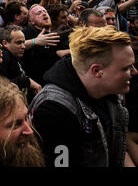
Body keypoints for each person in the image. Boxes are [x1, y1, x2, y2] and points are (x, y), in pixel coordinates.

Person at [29, 26, 137, 167]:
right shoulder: (54, 111)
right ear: (97, 71)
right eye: (126, 68)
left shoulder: (109, 91)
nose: (134, 72)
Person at [0, 25, 42, 103]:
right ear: (5, 43)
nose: (23, 46)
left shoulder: (14, 55)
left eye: (23, 42)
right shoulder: (4, 57)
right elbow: (0, 85)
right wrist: (26, 81)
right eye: (19, 43)